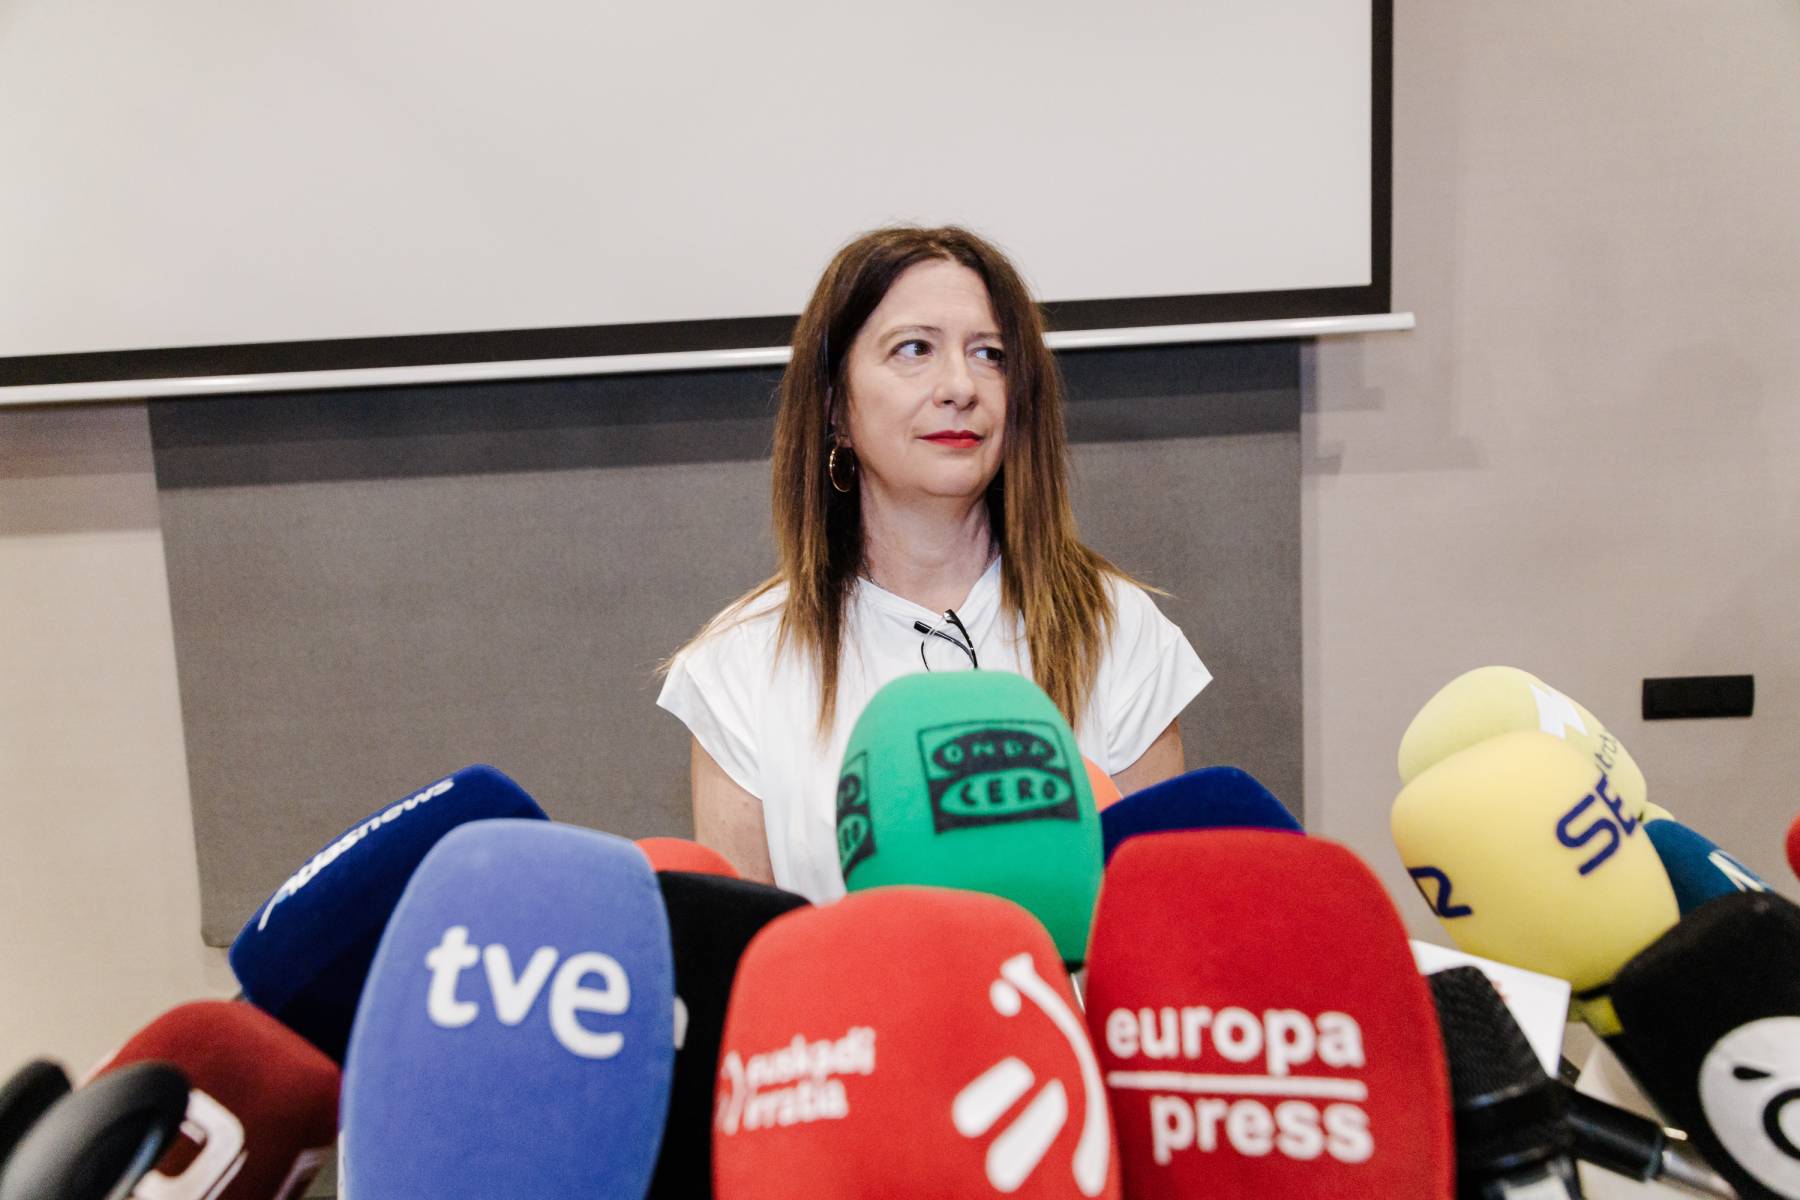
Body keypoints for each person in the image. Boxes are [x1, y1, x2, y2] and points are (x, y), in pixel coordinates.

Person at [658, 226, 1210, 901]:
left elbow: (1158, 930)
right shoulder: (740, 666)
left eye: (991, 355)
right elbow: (752, 972)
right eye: (914, 349)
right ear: (836, 405)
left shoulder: (1118, 630)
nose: (960, 386)